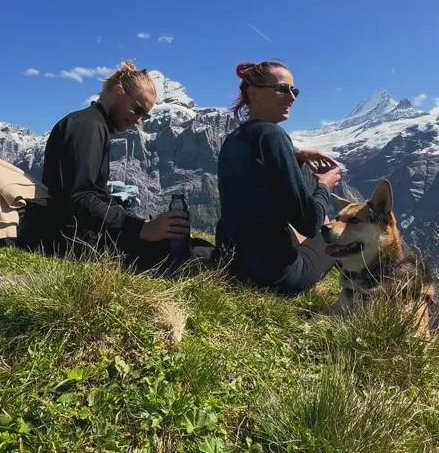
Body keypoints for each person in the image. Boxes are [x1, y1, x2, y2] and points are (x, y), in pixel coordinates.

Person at [18, 62, 189, 265]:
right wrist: (140, 229)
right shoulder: (88, 127)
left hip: (72, 235)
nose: (139, 121)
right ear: (118, 92)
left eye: (145, 115)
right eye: (138, 109)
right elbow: (81, 198)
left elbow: (92, 195)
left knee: (181, 247)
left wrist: (139, 223)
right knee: (182, 252)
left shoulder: (94, 125)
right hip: (68, 241)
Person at [215, 60, 341, 294]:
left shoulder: (236, 138)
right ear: (254, 93)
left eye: (295, 91)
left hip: (232, 265)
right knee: (333, 232)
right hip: (274, 277)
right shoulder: (273, 135)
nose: (292, 97)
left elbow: (259, 178)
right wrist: (325, 186)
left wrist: (297, 157)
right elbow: (309, 222)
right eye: (282, 89)